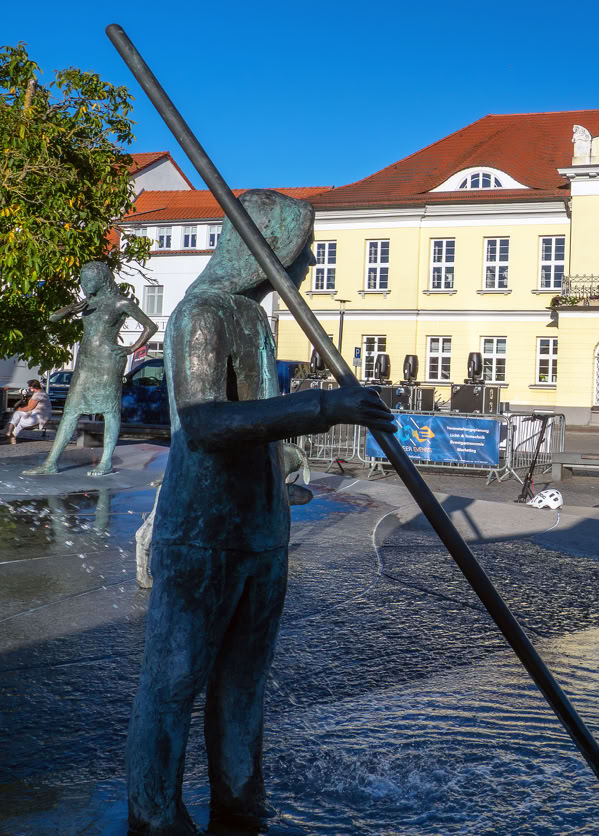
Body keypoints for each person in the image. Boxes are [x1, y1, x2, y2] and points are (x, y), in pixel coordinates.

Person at [126, 191, 396, 835]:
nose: (302, 273)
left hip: (259, 531)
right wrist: (323, 408)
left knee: (244, 687)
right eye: (295, 257)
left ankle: (240, 801)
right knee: (173, 683)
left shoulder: (254, 319)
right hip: (202, 532)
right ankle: (155, 814)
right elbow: (205, 422)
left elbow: (256, 421)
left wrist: (283, 489)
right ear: (260, 253)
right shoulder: (199, 313)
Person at [23, 262, 157, 476]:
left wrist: (131, 349)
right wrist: (70, 309)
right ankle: (51, 463)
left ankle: (106, 463)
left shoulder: (120, 302)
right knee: (71, 410)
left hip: (108, 360)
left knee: (109, 410)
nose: (84, 285)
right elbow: (52, 317)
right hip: (86, 361)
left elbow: (151, 326)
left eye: (88, 281)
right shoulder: (87, 303)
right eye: (82, 281)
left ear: (102, 279)